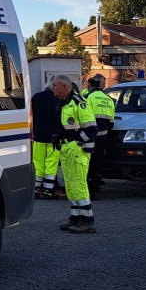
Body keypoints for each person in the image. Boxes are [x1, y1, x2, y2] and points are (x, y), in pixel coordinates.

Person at [50, 73, 98, 233]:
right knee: (70, 185)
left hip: (77, 150)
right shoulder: (63, 103)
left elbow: (91, 128)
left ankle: (87, 220)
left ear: (65, 86)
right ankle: (75, 218)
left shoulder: (78, 102)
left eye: (55, 85)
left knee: (78, 184)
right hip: (66, 149)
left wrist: (78, 141)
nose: (52, 88)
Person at [82, 73, 116, 193]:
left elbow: (84, 116)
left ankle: (88, 187)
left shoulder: (89, 97)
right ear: (100, 86)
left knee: (88, 161)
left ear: (90, 86)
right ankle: (96, 187)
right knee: (98, 162)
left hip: (90, 136)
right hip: (103, 136)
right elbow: (111, 122)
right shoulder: (109, 100)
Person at [29, 81, 62, 198]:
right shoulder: (58, 99)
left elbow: (31, 116)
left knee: (38, 162)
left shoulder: (36, 97)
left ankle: (37, 189)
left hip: (38, 135)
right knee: (51, 163)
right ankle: (49, 189)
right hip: (53, 137)